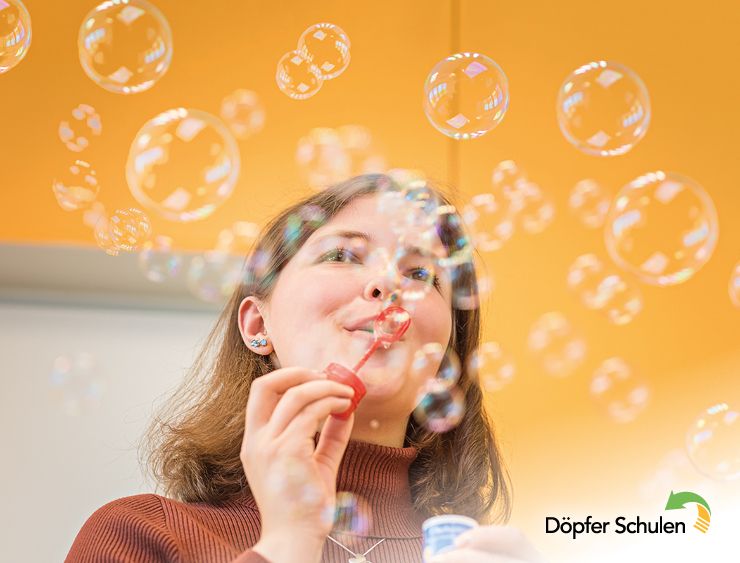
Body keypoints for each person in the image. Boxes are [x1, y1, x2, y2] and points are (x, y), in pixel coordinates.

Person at [66, 174, 545, 563]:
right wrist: (286, 544)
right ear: (258, 323)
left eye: (420, 274)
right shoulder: (141, 536)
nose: (387, 283)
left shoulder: (474, 555)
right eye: (342, 255)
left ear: (444, 355)